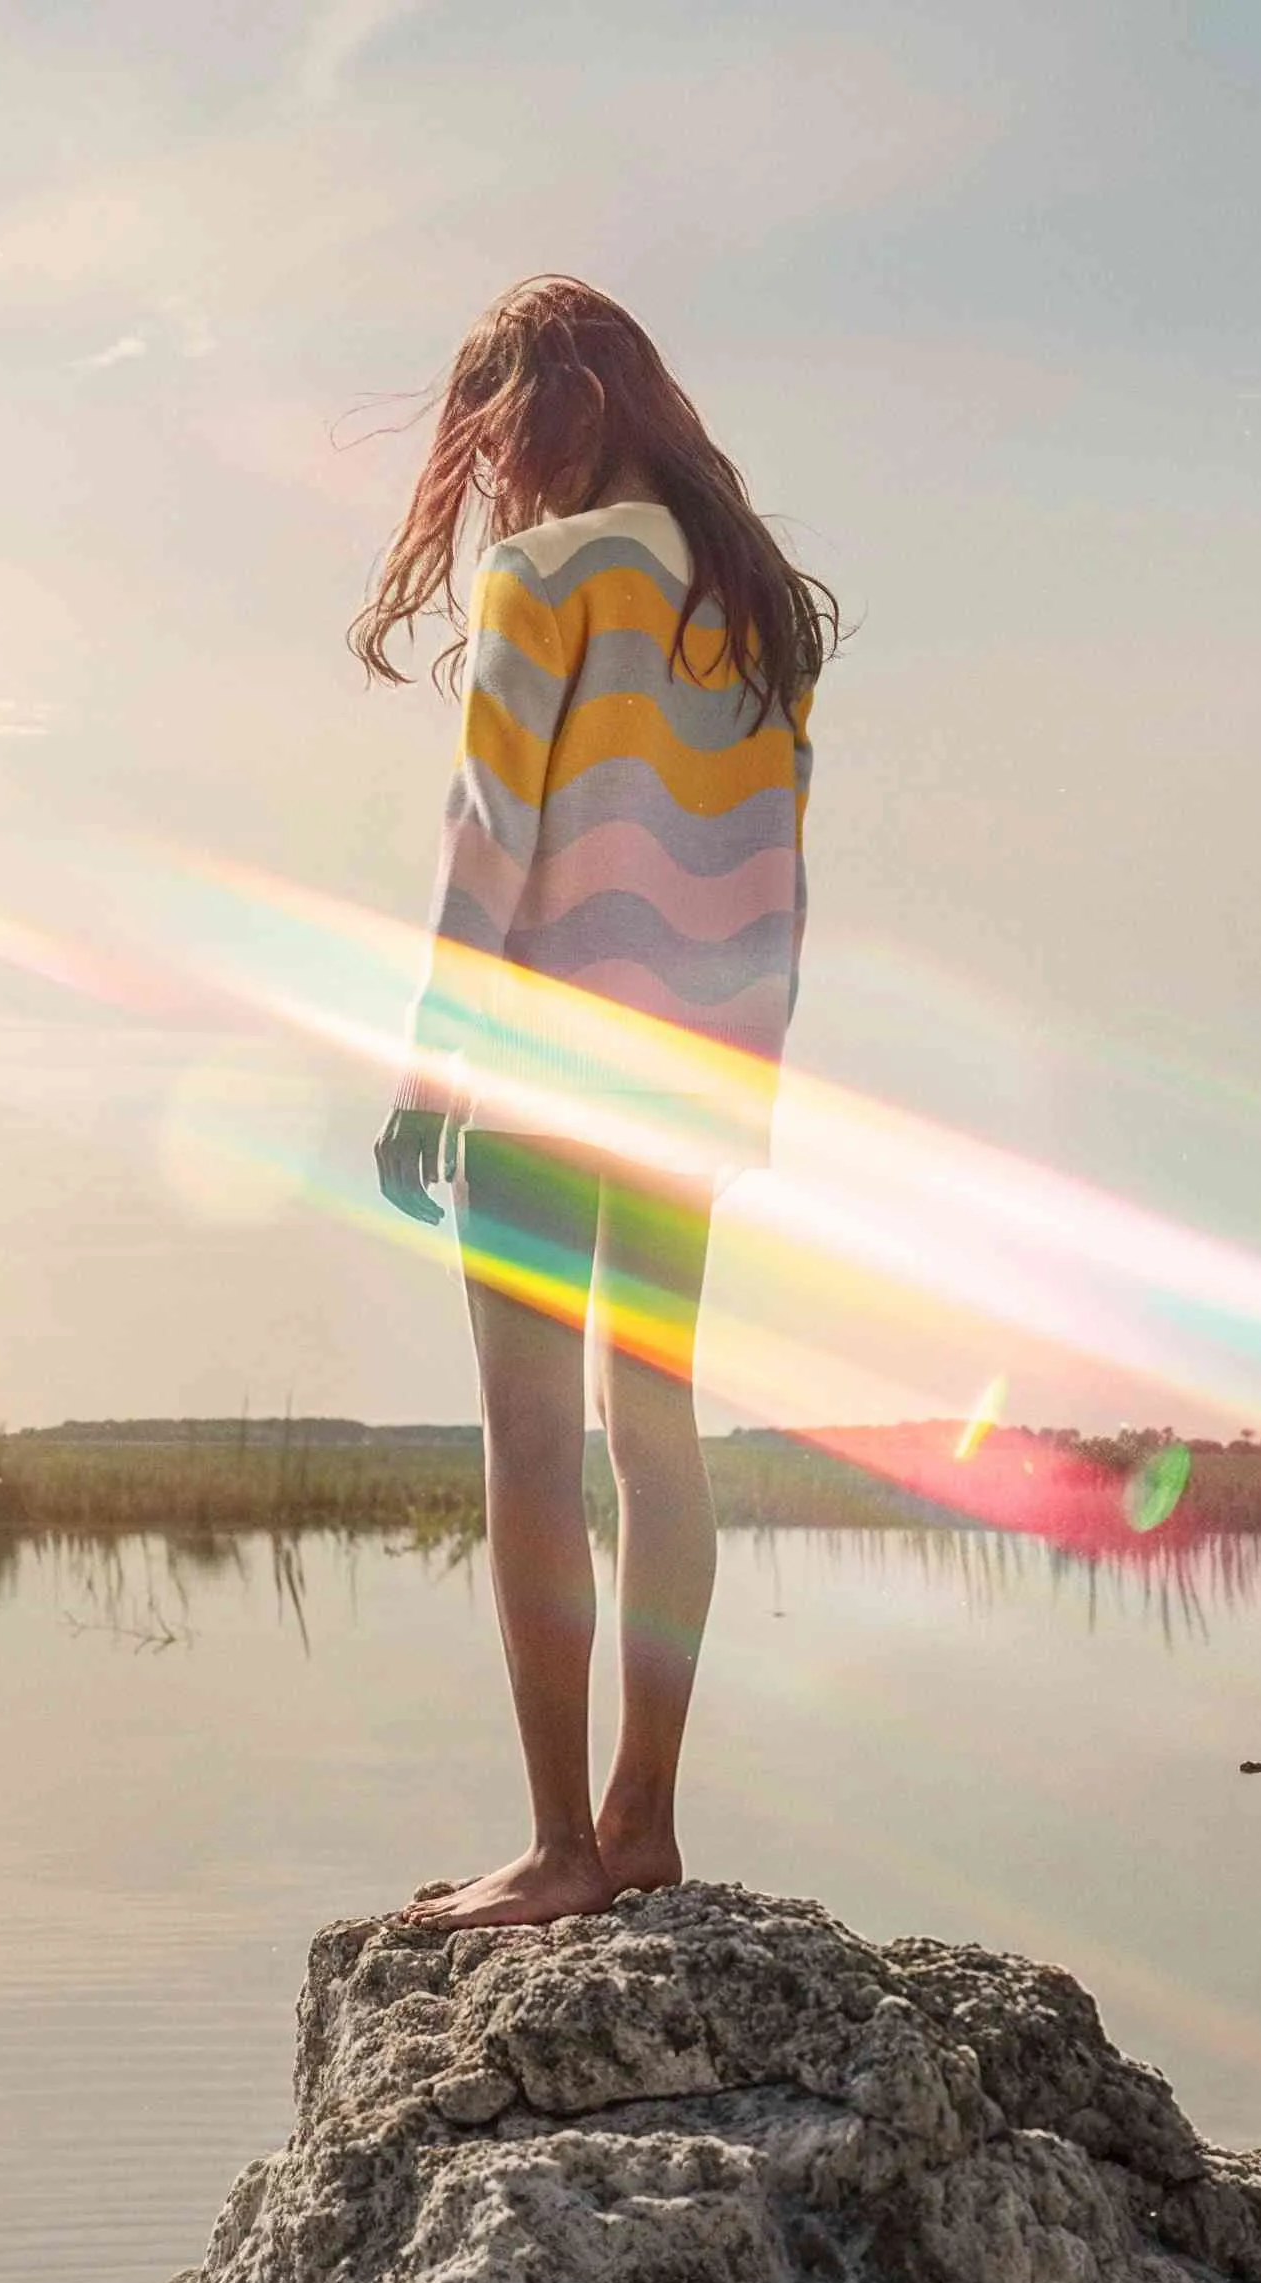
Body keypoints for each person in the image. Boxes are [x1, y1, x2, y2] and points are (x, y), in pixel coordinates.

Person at [353, 275, 836, 1930]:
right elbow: (776, 882)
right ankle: (645, 1819)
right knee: (655, 1437)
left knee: (532, 1451)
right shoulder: (756, 610)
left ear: (535, 418)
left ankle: (562, 1845)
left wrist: (433, 1065)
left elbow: (491, 835)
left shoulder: (546, 577)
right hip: (693, 1080)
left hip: (554, 1068)